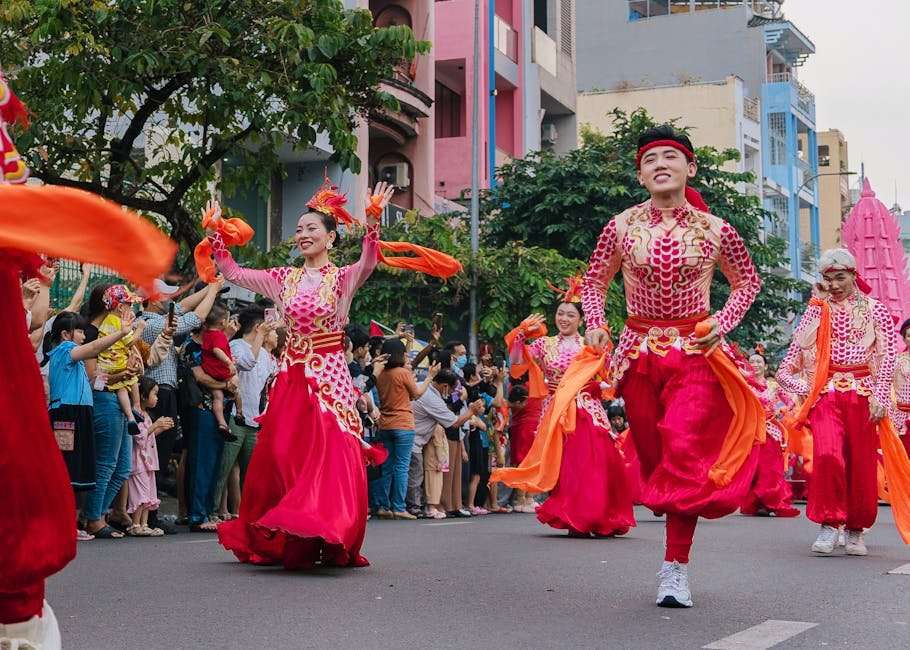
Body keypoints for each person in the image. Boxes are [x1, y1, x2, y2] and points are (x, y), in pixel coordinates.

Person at [582, 125, 762, 607]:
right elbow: (594, 283)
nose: (661, 165)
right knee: (655, 457)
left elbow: (747, 283)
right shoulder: (619, 227)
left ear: (690, 168)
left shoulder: (716, 229)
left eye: (671, 156)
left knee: (683, 450)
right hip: (638, 354)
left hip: (696, 354)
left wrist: (720, 323)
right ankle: (674, 515)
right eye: (650, 160)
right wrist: (596, 323)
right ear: (641, 175)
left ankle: (674, 569)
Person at [214, 181, 396, 568]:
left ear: (330, 237)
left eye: (311, 229)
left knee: (331, 456)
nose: (303, 235)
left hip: (331, 377)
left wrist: (374, 223)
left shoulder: (342, 278)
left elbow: (368, 262)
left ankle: (328, 530)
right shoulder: (282, 279)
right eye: (298, 230)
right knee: (282, 453)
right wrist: (216, 236)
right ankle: (286, 528)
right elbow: (233, 271)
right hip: (292, 375)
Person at [776, 248, 897, 556]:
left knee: (861, 462)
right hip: (826, 395)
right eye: (827, 279)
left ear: (854, 276)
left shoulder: (875, 309)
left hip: (863, 394)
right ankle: (830, 524)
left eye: (840, 277)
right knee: (828, 455)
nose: (834, 285)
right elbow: (787, 364)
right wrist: (807, 387)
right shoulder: (816, 311)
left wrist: (881, 397)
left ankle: (856, 528)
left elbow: (886, 359)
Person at [493, 284, 635, 539]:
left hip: (585, 408)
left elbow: (608, 377)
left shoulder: (591, 344)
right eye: (561, 313)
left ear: (581, 319)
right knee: (565, 465)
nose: (564, 319)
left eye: (571, 314)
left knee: (593, 462)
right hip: (556, 409)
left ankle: (602, 515)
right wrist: (521, 336)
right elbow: (516, 363)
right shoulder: (544, 345)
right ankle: (575, 516)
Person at [140, 277, 222, 533]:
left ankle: (150, 513)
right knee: (157, 456)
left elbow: (184, 305)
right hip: (159, 393)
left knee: (160, 455)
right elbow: (193, 318)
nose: (170, 300)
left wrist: (210, 287)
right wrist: (214, 291)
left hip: (163, 392)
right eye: (165, 296)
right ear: (153, 300)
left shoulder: (156, 318)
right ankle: (149, 515)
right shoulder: (152, 324)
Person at [44, 311, 135, 541]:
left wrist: (124, 372)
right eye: (80, 330)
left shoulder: (72, 359)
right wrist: (122, 333)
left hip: (77, 413)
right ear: (66, 334)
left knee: (74, 470)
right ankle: (64, 524)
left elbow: (95, 381)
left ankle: (71, 523)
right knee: (67, 469)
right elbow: (95, 349)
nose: (84, 335)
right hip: (68, 414)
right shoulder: (65, 349)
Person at [213, 307, 279, 519]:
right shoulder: (236, 346)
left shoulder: (268, 357)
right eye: (268, 328)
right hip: (236, 416)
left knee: (250, 473)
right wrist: (260, 336)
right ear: (259, 327)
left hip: (256, 420)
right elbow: (247, 364)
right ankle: (213, 511)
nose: (272, 331)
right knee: (224, 467)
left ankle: (246, 514)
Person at [373, 337, 440, 520]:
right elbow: (417, 395)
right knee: (402, 467)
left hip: (385, 423)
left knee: (387, 467)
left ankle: (382, 506)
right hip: (403, 424)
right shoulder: (402, 373)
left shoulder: (380, 373)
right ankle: (399, 507)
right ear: (398, 355)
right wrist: (430, 377)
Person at [412, 369, 485, 518]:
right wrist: (471, 411)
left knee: (418, 473)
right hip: (415, 439)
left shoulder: (422, 386)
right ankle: (413, 507)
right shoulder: (432, 398)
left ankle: (413, 506)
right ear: (445, 386)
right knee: (418, 474)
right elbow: (454, 423)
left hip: (416, 438)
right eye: (452, 389)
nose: (453, 393)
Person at [740, 352, 800, 518]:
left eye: (759, 362)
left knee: (770, 469)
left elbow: (790, 401)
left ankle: (770, 500)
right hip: (751, 431)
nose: (755, 364)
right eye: (752, 361)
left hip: (770, 431)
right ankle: (756, 502)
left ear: (765, 366)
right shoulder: (744, 384)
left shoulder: (773, 386)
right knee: (755, 469)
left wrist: (781, 411)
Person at [126, 378, 175, 537]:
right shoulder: (137, 414)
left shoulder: (146, 415)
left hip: (148, 462)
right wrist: (155, 425)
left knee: (149, 494)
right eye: (154, 394)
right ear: (143, 396)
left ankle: (144, 524)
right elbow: (139, 438)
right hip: (139, 462)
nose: (157, 398)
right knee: (140, 494)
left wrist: (160, 427)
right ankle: (135, 524)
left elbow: (149, 437)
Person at [97, 284, 146, 435]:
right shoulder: (118, 322)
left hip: (106, 364)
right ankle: (137, 407)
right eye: (129, 305)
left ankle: (131, 417)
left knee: (122, 388)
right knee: (133, 381)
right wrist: (140, 328)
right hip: (119, 361)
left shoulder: (107, 320)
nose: (131, 308)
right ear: (120, 308)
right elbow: (130, 342)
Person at [200, 303, 240, 436]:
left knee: (218, 396)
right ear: (223, 322)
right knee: (237, 387)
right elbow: (217, 349)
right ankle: (240, 413)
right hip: (220, 371)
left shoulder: (206, 334)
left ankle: (222, 423)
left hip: (209, 371)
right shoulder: (219, 336)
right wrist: (229, 363)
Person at [892, 319, 910, 456]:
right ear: (904, 339)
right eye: (909, 335)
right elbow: (889, 388)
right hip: (902, 416)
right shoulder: (896, 362)